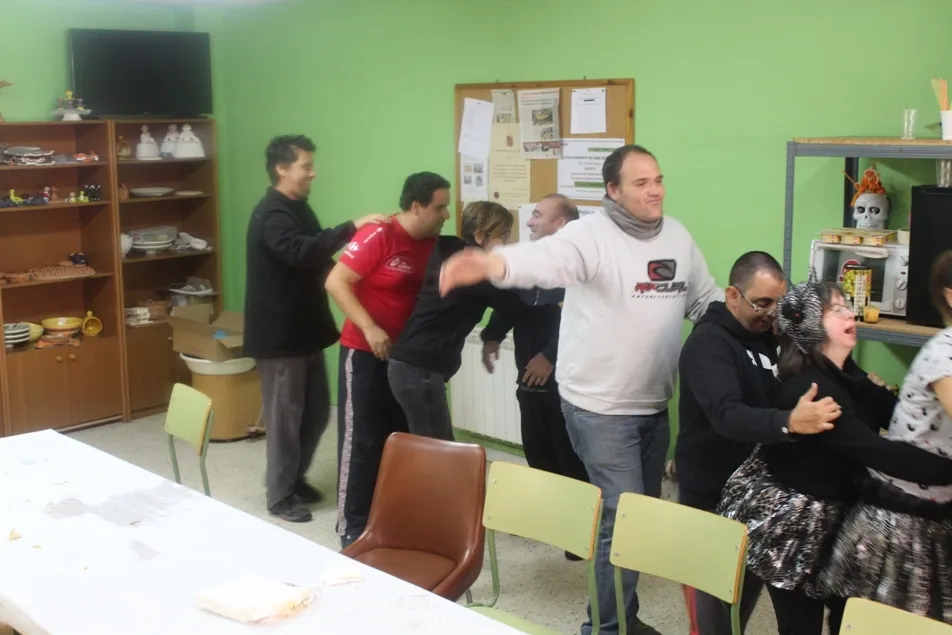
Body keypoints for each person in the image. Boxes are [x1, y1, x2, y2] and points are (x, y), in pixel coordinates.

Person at [439, 145, 723, 635]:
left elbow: (703, 298)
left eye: (658, 179)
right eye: (641, 183)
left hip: (653, 402)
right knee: (622, 518)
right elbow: (543, 260)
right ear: (613, 190)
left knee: (639, 521)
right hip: (598, 407)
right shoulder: (590, 235)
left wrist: (749, 317)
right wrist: (492, 265)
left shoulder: (676, 235)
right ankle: (605, 629)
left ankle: (622, 617)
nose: (655, 190)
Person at [717, 277, 952, 635]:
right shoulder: (813, 390)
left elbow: (898, 417)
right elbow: (878, 452)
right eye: (837, 310)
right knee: (801, 624)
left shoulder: (849, 374)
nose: (850, 315)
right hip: (795, 524)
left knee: (846, 612)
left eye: (848, 307)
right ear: (811, 324)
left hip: (839, 512)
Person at [676, 252, 842, 635]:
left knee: (741, 606)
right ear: (732, 296)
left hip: (758, 500)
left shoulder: (770, 337)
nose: (771, 313)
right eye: (762, 303)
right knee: (715, 618)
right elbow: (727, 415)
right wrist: (789, 422)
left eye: (778, 304)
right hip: (712, 498)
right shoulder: (709, 345)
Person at [243, 134, 386, 523]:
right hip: (280, 339)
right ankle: (279, 495)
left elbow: (318, 259)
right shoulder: (271, 214)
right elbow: (302, 251)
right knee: (285, 418)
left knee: (317, 412)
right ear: (282, 169)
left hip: (305, 332)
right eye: (305, 166)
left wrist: (354, 279)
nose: (312, 173)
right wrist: (351, 227)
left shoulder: (298, 208)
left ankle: (294, 477)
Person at [818, 250, 952, 622]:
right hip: (902, 519)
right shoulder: (943, 353)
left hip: (935, 511)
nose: (849, 316)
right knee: (880, 621)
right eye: (838, 310)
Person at [325, 171, 450, 548]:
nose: (446, 214)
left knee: (400, 438)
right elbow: (336, 282)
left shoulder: (434, 245)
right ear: (417, 206)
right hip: (364, 353)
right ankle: (352, 526)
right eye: (440, 207)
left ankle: (392, 518)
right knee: (361, 440)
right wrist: (369, 327)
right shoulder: (380, 234)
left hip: (405, 359)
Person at [480, 194, 590, 552]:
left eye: (538, 215)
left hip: (567, 385)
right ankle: (550, 520)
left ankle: (579, 532)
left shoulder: (583, 264)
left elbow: (583, 321)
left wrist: (549, 357)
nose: (529, 221)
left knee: (570, 457)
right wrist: (492, 336)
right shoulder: (531, 263)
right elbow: (512, 305)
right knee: (537, 451)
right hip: (528, 380)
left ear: (560, 223)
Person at [388, 201, 540, 440]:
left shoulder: (449, 250)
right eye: (503, 235)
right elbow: (519, 311)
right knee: (437, 448)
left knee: (427, 443)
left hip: (410, 364)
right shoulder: (475, 272)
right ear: (480, 236)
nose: (508, 242)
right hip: (419, 367)